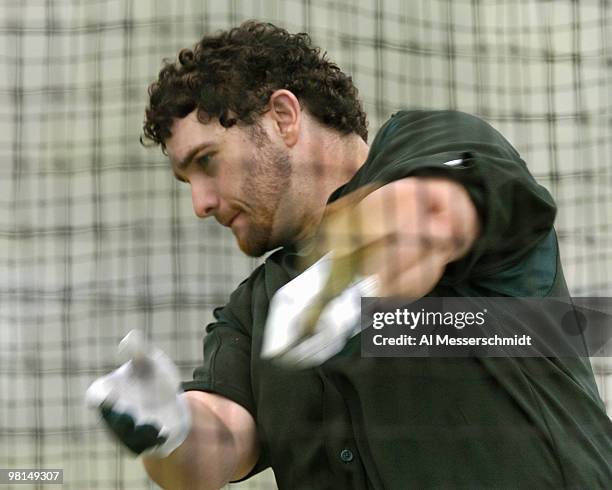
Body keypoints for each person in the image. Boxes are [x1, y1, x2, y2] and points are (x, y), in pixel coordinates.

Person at [88, 21, 612, 489]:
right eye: (187, 181)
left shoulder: (424, 144)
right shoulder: (252, 313)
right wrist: (168, 428)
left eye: (207, 162)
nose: (200, 203)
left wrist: (366, 261)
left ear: (283, 117)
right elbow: (222, 442)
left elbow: (431, 210)